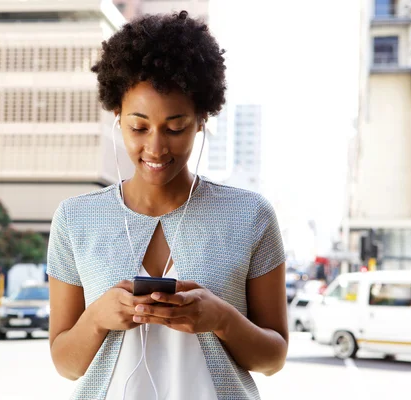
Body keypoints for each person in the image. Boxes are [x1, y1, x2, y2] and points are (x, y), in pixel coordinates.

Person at [47, 11, 288, 400]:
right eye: (138, 127)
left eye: (175, 127)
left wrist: (221, 318)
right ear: (117, 116)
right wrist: (97, 318)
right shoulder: (75, 219)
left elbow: (273, 358)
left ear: (201, 119)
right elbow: (66, 364)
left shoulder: (250, 216)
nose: (156, 148)